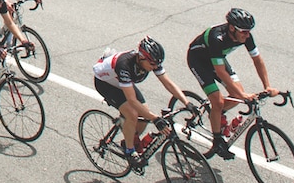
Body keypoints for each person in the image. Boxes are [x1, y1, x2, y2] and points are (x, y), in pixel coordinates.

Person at [186, 8, 280, 159]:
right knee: (219, 101)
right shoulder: (217, 38)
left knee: (236, 95)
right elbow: (221, 71)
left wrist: (267, 86)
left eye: (249, 31)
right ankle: (217, 142)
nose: (247, 35)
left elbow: (257, 59)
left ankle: (216, 114)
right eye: (244, 31)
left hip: (217, 60)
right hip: (199, 62)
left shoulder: (246, 35)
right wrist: (242, 95)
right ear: (232, 28)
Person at [92, 37, 190, 161]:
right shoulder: (124, 65)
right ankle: (129, 151)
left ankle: (129, 138)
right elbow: (132, 100)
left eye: (157, 64)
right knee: (132, 114)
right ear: (141, 57)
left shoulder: (152, 62)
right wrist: (155, 119)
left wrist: (187, 102)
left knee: (143, 116)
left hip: (121, 82)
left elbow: (168, 83)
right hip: (105, 83)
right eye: (152, 64)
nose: (155, 67)